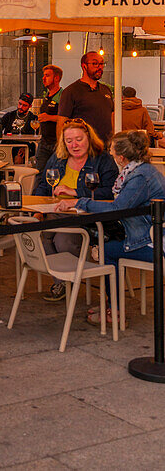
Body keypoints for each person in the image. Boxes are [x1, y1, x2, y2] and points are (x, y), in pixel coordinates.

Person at [57, 129, 165, 327]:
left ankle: (114, 310)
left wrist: (80, 203)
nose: (110, 154)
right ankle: (110, 303)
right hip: (148, 234)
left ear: (122, 157)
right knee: (107, 244)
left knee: (108, 251)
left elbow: (118, 208)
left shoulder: (140, 177)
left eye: (112, 150)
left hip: (155, 244)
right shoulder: (142, 171)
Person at [33, 118, 117, 302]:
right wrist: (37, 208)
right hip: (55, 212)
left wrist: (76, 192)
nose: (74, 145)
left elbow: (111, 191)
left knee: (63, 239)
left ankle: (67, 280)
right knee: (40, 236)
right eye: (69, 140)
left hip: (87, 217)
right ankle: (63, 281)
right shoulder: (58, 158)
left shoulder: (102, 160)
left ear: (89, 138)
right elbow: (43, 185)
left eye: (78, 139)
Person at [58, 52, 113, 144]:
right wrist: (63, 149)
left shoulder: (106, 90)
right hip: (83, 148)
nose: (99, 67)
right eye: (95, 64)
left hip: (106, 147)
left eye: (102, 64)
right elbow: (61, 122)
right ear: (84, 66)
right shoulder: (71, 91)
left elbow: (112, 117)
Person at [34, 64, 63, 181]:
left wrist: (49, 117)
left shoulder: (62, 96)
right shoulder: (47, 95)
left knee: (56, 175)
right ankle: (37, 198)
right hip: (44, 141)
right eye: (43, 75)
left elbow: (67, 118)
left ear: (56, 78)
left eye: (47, 75)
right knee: (39, 174)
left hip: (57, 143)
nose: (43, 78)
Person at [0, 93, 38, 163]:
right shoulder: (9, 116)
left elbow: (35, 138)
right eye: (20, 104)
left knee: (19, 157)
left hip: (23, 145)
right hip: (7, 144)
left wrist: (26, 147)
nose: (21, 107)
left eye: (24, 105)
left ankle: (16, 173)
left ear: (30, 106)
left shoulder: (33, 119)